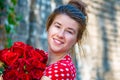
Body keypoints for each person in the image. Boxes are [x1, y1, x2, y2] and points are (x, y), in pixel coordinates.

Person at [41, 0, 88, 80]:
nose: (60, 35)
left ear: (77, 39)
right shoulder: (40, 57)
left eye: (69, 32)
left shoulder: (63, 70)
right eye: (57, 26)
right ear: (49, 26)